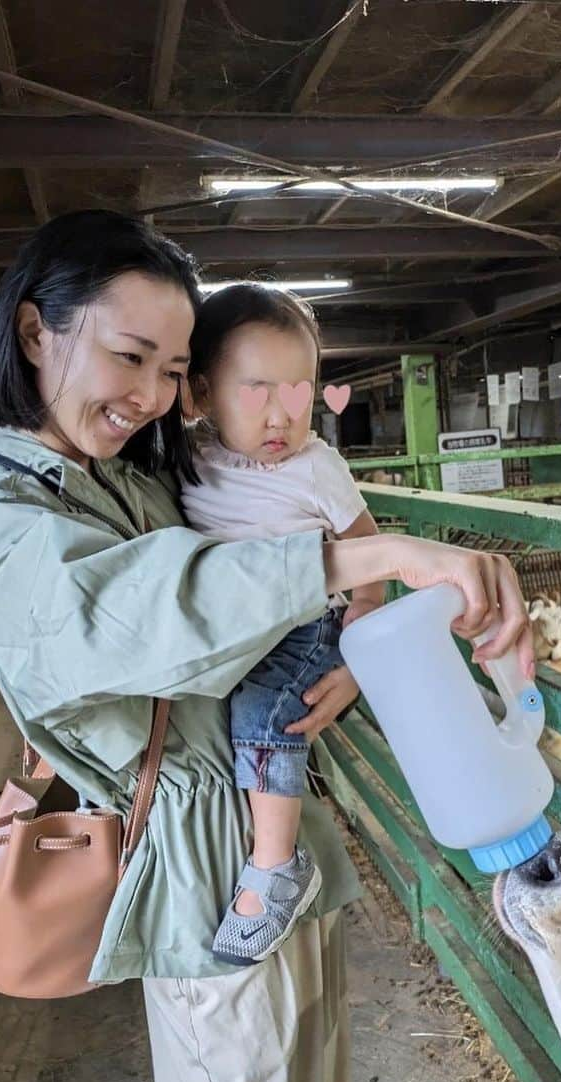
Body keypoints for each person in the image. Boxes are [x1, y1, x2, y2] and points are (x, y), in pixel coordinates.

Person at [0, 210, 531, 1082]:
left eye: (173, 369)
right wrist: (381, 555)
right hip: (201, 881)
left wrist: (352, 637)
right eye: (128, 356)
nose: (149, 392)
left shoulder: (129, 480)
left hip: (276, 842)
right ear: (37, 333)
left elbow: (257, 583)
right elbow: (158, 607)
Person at [180, 283, 383, 967]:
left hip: (305, 623)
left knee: (268, 714)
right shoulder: (189, 456)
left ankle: (275, 865)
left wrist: (365, 621)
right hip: (237, 623)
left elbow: (365, 542)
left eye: (298, 392)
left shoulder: (316, 468)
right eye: (257, 389)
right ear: (202, 394)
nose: (281, 414)